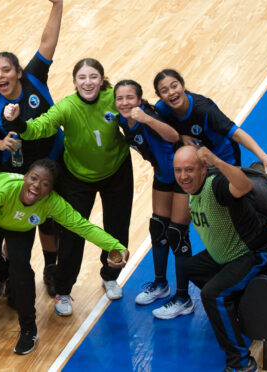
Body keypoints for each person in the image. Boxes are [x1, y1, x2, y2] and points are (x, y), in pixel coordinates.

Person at [0, 159, 128, 355]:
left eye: (45, 184)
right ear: (25, 177)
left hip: (21, 226)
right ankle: (0, 278)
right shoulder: (1, 191)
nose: (36, 186)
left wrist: (115, 246)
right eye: (33, 178)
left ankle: (29, 329)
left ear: (50, 190)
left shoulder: (52, 203)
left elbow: (82, 226)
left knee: (21, 268)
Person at [3, 57, 132, 314]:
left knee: (117, 231)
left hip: (116, 172)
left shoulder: (113, 99)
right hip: (77, 177)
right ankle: (63, 291)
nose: (88, 82)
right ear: (74, 82)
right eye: (82, 78)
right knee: (72, 236)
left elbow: (136, 111)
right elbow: (38, 127)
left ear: (102, 79)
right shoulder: (66, 107)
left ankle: (110, 275)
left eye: (93, 77)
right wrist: (18, 123)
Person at [0, 0, 64, 298]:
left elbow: (48, 41)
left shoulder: (34, 78)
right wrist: (0, 143)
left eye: (5, 70)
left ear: (17, 71)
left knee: (50, 221)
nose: (0, 76)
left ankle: (51, 269)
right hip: (19, 170)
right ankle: (12, 272)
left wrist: (58, 5)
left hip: (54, 159)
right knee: (18, 223)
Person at [174, 146, 267, 372]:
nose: (183, 176)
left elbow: (244, 185)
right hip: (228, 254)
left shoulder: (217, 185)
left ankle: (241, 363)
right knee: (190, 267)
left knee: (213, 295)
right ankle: (240, 315)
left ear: (203, 168)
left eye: (189, 170)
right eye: (178, 170)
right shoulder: (191, 187)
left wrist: (215, 160)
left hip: (257, 251)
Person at [113, 80, 194, 319]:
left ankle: (183, 298)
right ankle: (160, 285)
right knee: (158, 228)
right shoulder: (120, 118)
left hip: (181, 177)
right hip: (162, 176)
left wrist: (146, 118)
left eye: (130, 97)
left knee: (177, 234)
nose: (125, 102)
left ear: (139, 100)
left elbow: (173, 136)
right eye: (120, 98)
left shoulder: (147, 118)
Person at [153, 68, 267, 171]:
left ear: (183, 85)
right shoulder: (162, 109)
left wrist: (264, 157)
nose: (171, 92)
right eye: (164, 91)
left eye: (174, 86)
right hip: (201, 163)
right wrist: (181, 137)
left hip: (225, 157)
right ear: (159, 96)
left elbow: (236, 134)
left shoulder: (204, 110)